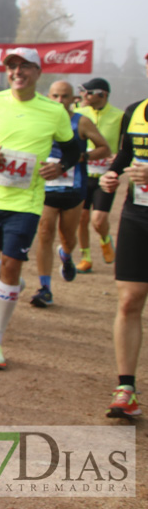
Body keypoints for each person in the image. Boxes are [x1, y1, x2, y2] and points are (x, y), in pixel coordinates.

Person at [0, 48, 80, 369]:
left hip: (26, 204)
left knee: (13, 266)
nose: (17, 72)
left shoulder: (54, 111)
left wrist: (60, 166)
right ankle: (7, 285)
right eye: (12, 67)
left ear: (38, 72)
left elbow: (73, 148)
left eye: (24, 67)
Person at [29, 81, 109, 308]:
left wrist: (81, 157)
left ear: (73, 99)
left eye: (64, 97)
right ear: (47, 96)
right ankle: (45, 287)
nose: (59, 101)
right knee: (45, 233)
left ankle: (66, 253)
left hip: (73, 189)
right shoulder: (41, 119)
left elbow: (105, 148)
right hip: (46, 188)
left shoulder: (81, 122)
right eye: (54, 96)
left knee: (68, 237)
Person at [98, 60, 148, 418]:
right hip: (139, 215)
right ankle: (125, 388)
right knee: (130, 300)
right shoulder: (136, 111)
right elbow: (125, 156)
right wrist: (110, 178)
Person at [74, 77, 123, 273]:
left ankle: (105, 239)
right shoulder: (79, 113)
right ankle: (85, 257)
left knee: (99, 219)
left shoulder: (120, 116)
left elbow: (125, 144)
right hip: (83, 173)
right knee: (82, 218)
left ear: (103, 94)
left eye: (88, 92)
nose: (84, 96)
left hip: (105, 175)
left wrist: (119, 154)